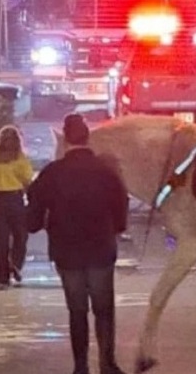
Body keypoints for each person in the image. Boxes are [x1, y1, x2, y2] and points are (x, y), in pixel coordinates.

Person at [28, 114, 128, 374]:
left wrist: (36, 223)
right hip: (100, 247)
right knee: (104, 309)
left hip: (67, 250)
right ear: (87, 138)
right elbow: (121, 204)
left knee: (77, 310)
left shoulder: (53, 173)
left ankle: (81, 366)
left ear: (66, 140)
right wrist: (116, 227)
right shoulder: (106, 171)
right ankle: (107, 364)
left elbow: (34, 209)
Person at [0, 125, 34, 288]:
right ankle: (16, 264)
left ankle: (2, 276)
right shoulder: (21, 159)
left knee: (0, 240)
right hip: (15, 199)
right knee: (20, 236)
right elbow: (27, 178)